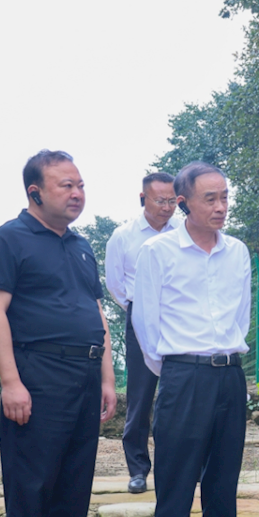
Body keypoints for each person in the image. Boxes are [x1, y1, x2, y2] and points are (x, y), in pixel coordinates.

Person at [0, 150, 117, 517]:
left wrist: (107, 377)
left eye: (80, 185)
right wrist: (11, 382)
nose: (77, 194)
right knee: (32, 484)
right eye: (66, 186)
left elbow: (96, 312)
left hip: (84, 373)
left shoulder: (81, 246)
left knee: (73, 483)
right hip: (38, 373)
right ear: (35, 192)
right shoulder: (8, 240)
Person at [132, 161, 252, 517]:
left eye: (225, 197)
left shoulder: (237, 251)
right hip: (183, 376)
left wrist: (220, 360)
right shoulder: (158, 252)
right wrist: (179, 371)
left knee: (222, 487)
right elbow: (146, 325)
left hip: (230, 375)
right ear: (183, 202)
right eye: (210, 198)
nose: (221, 206)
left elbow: (241, 316)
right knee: (176, 488)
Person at [105, 172, 179, 494]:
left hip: (179, 317)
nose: (166, 207)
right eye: (160, 200)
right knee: (141, 395)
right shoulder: (123, 236)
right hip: (140, 318)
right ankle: (137, 469)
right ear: (142, 199)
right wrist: (141, 310)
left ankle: (175, 467)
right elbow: (115, 285)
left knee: (180, 394)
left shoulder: (184, 233)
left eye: (172, 201)